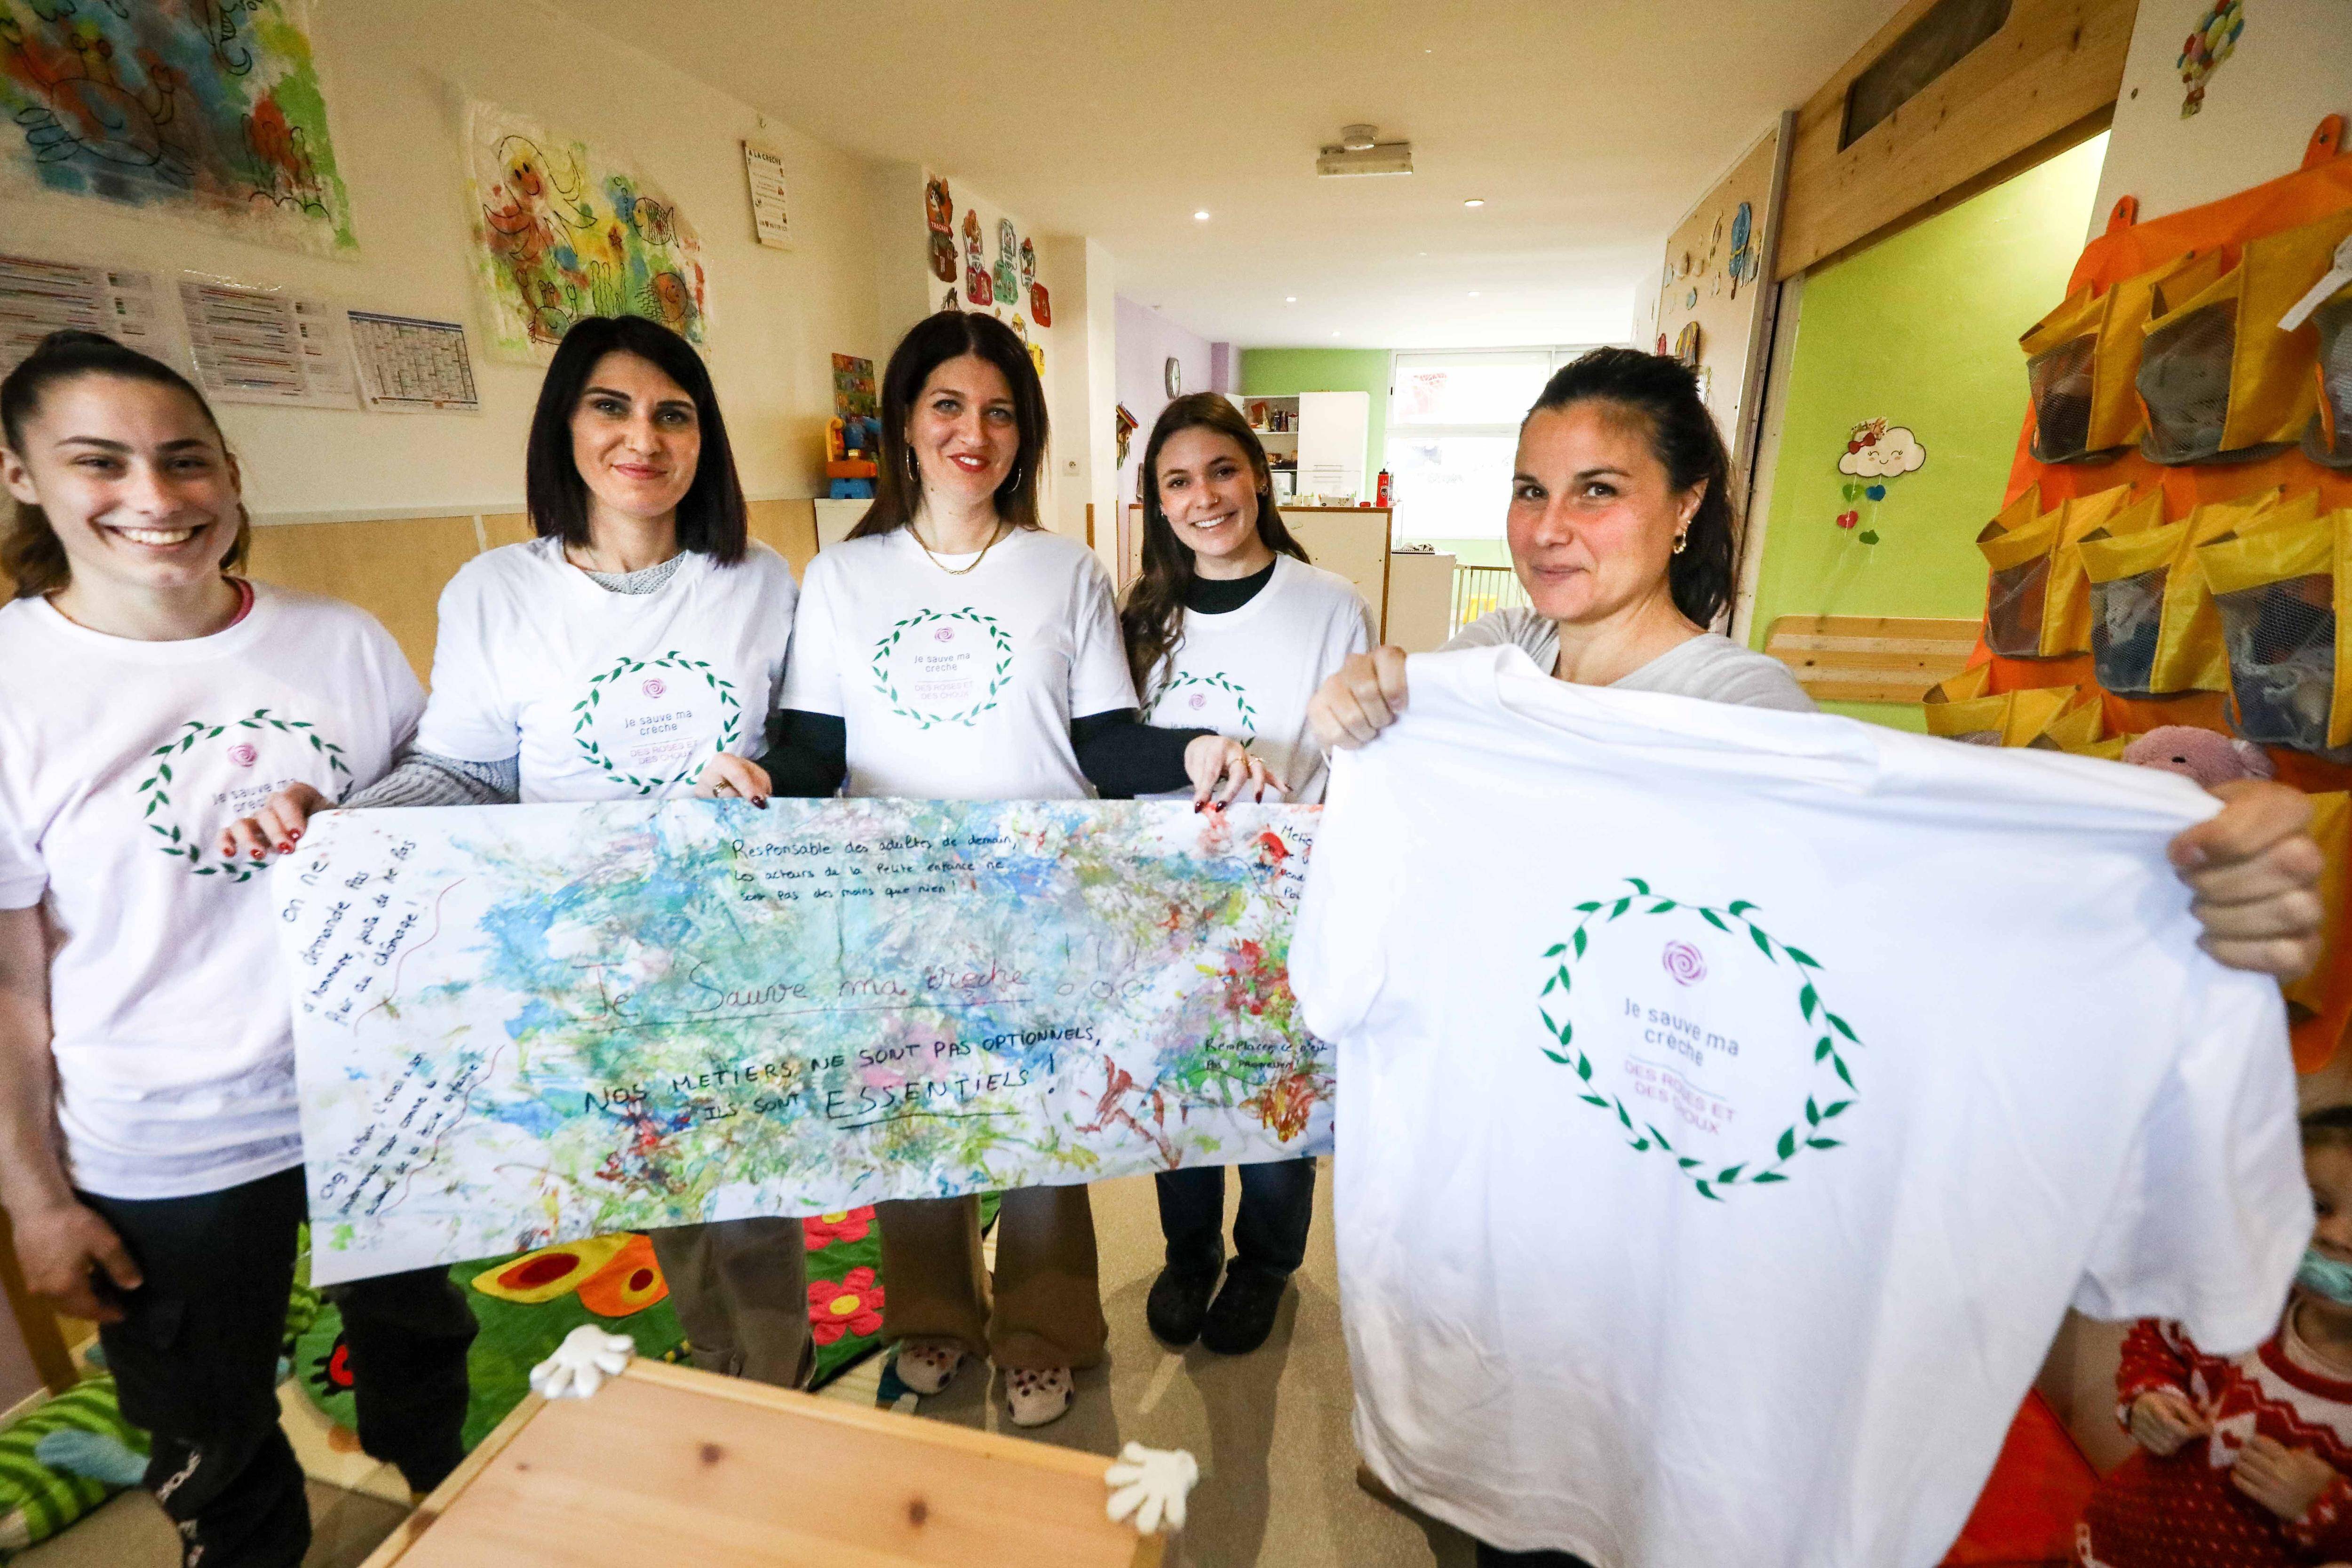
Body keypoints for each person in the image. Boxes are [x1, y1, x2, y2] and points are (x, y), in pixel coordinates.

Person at [1306, 346, 2329, 1567]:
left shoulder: (1744, 710)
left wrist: (2167, 858)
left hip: (1664, 1198)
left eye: (1596, 489)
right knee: (1503, 1497)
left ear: (1686, 505)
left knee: (1623, 1488)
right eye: (1530, 490)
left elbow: (1925, 899)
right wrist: (1360, 709)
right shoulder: (1497, 667)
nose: (1549, 526)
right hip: (1517, 1201)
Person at [237, 315, 810, 1389]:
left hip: (735, 946)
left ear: (704, 440)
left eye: (673, 414)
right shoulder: (496, 589)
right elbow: (464, 771)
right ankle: (720, 1353)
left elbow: (810, 746)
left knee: (754, 1185)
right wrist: (347, 822)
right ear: (565, 426)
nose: (642, 436)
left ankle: (781, 1374)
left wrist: (775, 777)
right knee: (652, 1175)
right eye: (612, 406)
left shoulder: (761, 579)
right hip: (588, 954)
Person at [0, 330, 476, 1568]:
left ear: (230, 472)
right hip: (168, 1135)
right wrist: (36, 1195)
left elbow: (449, 818)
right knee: (209, 1430)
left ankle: (451, 1527)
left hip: (379, 1097)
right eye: (100, 462)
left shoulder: (339, 640)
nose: (156, 499)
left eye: (186, 461)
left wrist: (358, 824)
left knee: (422, 1353)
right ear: (21, 477)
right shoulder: (12, 684)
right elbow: (8, 979)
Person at [753, 310, 1267, 1426]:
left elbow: (1097, 741)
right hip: (891, 904)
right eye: (947, 404)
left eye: (997, 411)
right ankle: (933, 1317)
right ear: (903, 421)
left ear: (1023, 434)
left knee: (1038, 1125)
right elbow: (814, 750)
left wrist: (1189, 750)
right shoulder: (841, 580)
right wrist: (749, 780)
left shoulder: (1062, 569)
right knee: (914, 1121)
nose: (971, 431)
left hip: (1038, 900)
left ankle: (1045, 1329)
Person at [1117, 392, 1371, 1355]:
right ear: (1158, 502)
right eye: (1177, 481)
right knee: (1176, 1088)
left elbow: (1355, 760)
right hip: (1167, 903)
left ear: (1258, 477)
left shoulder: (1328, 603)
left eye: (1222, 471)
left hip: (1283, 903)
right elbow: (1113, 756)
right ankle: (1190, 1253)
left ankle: (1265, 1261)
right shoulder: (1138, 614)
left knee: (1273, 1097)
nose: (1204, 497)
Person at [2074, 1104, 2352, 1564]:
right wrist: (2148, 1398)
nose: (2337, 1238)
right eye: (2317, 1206)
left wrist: (2323, 1504)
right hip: (2115, 1543)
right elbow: (2158, 1339)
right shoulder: (2245, 1304)